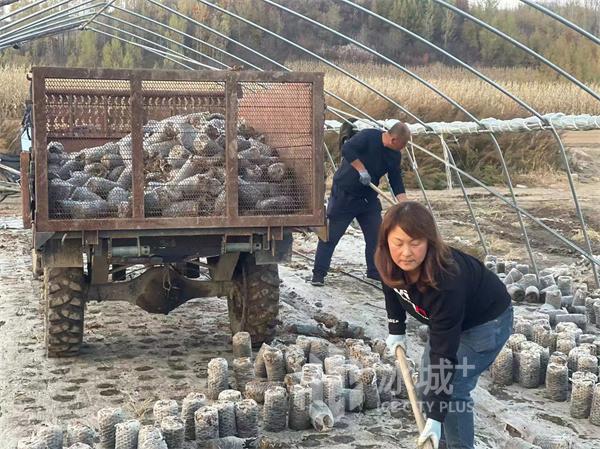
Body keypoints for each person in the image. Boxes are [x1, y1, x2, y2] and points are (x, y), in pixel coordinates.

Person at [375, 201, 513, 449]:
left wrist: (436, 416)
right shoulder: (385, 259)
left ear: (429, 242)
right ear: (386, 242)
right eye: (398, 243)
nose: (406, 252)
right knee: (430, 384)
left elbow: (444, 353)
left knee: (453, 388)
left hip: (485, 321)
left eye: (415, 243)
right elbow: (391, 286)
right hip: (452, 322)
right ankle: (442, 441)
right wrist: (396, 328)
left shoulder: (445, 280)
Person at [311, 122, 410, 286]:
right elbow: (347, 150)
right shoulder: (368, 136)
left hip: (368, 199)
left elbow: (396, 180)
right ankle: (318, 274)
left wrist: (404, 203)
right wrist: (361, 169)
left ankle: (374, 272)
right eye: (403, 144)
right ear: (394, 139)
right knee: (331, 236)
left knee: (376, 237)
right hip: (345, 195)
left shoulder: (394, 155)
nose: (403, 148)